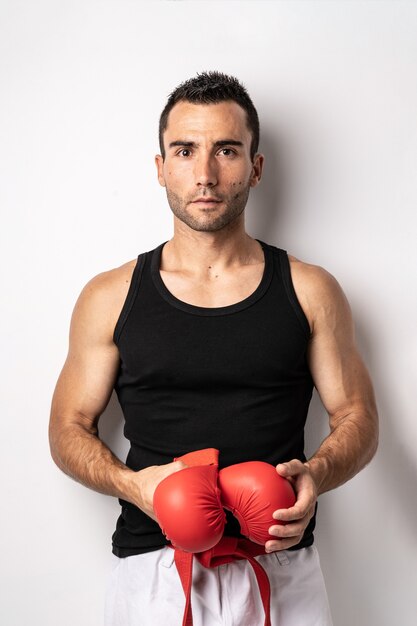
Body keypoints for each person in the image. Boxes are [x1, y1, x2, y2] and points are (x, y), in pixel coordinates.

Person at [49, 71, 378, 626]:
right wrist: (135, 488)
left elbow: (358, 416)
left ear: (256, 166)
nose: (204, 174)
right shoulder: (110, 295)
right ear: (160, 168)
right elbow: (67, 428)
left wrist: (316, 474)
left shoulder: (309, 288)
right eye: (184, 150)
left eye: (227, 150)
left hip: (281, 566)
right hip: (153, 570)